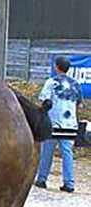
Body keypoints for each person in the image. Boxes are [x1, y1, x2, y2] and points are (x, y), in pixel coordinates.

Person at [34, 56, 83, 193]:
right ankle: (69, 183)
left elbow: (44, 101)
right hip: (70, 125)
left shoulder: (51, 82)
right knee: (67, 153)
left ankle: (42, 179)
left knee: (47, 152)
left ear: (57, 67)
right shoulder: (76, 84)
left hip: (53, 123)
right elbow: (79, 105)